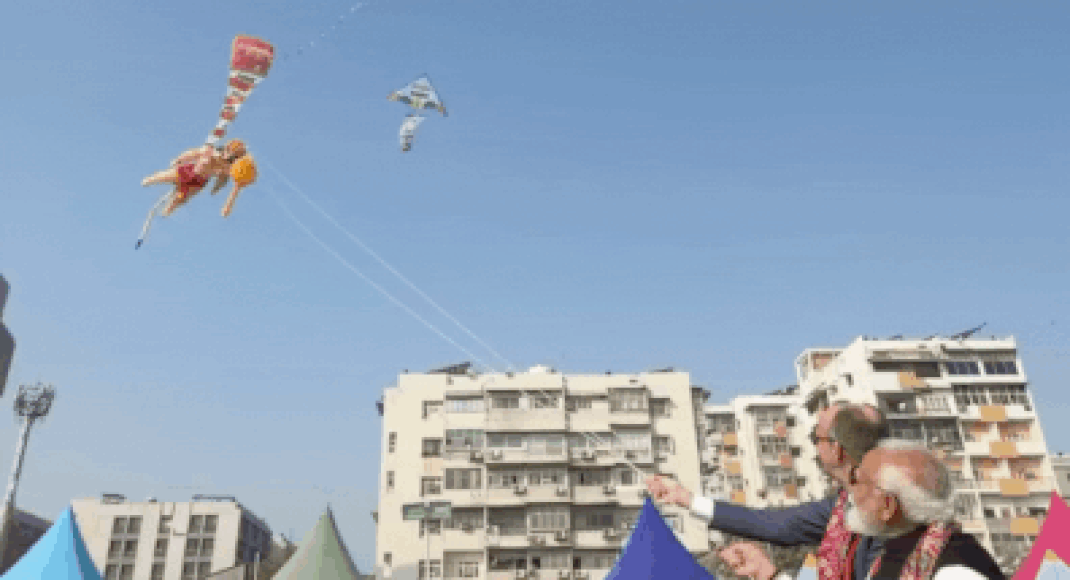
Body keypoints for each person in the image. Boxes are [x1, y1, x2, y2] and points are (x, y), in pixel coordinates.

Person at [647, 402, 887, 580]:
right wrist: (687, 499)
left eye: (816, 438)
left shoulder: (886, 516)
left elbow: (779, 525)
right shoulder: (845, 505)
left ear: (836, 449)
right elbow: (777, 524)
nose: (814, 447)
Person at [717, 440, 1005, 580]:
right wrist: (767, 573)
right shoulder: (900, 553)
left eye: (860, 482)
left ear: (887, 506)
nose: (849, 492)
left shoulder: (954, 571)